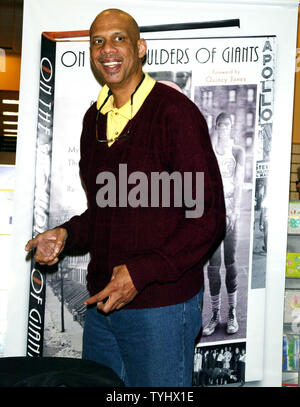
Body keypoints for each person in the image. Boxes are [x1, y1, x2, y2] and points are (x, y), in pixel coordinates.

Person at [25, 8, 225, 387]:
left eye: (118, 38)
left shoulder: (174, 113)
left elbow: (208, 218)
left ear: (140, 47)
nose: (107, 49)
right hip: (101, 308)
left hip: (160, 308)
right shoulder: (94, 119)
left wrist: (140, 273)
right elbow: (105, 211)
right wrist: (66, 234)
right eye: (97, 41)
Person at [203, 112, 245, 336]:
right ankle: (215, 314)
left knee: (230, 263)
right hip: (213, 215)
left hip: (231, 215)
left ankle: (232, 313)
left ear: (232, 127)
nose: (224, 128)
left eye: (227, 125)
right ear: (217, 127)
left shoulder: (238, 151)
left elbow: (238, 183)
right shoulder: (209, 151)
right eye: (221, 125)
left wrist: (235, 212)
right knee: (212, 267)